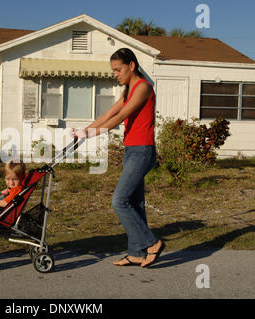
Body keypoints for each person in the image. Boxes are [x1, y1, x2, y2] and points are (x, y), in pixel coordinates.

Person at [71, 48, 164, 268]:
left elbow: (122, 116)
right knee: (134, 202)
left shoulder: (143, 88)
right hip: (131, 150)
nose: (116, 74)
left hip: (142, 151)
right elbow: (109, 114)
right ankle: (136, 253)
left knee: (119, 201)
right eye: (113, 70)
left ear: (132, 66)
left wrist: (93, 133)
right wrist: (83, 131)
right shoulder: (129, 91)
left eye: (118, 69)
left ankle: (152, 243)